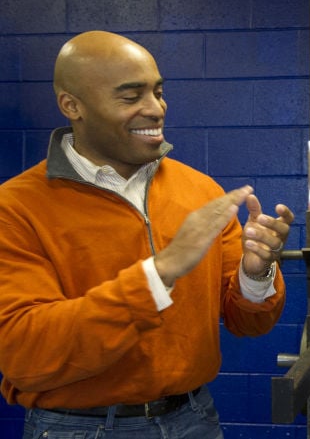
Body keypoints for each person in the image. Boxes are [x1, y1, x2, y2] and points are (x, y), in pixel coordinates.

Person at [0, 30, 295, 438]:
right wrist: (161, 272)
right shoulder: (15, 207)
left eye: (158, 92)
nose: (156, 109)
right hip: (78, 428)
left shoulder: (199, 191)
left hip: (194, 419)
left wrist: (256, 272)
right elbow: (26, 351)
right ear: (72, 105)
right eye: (131, 96)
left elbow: (248, 323)